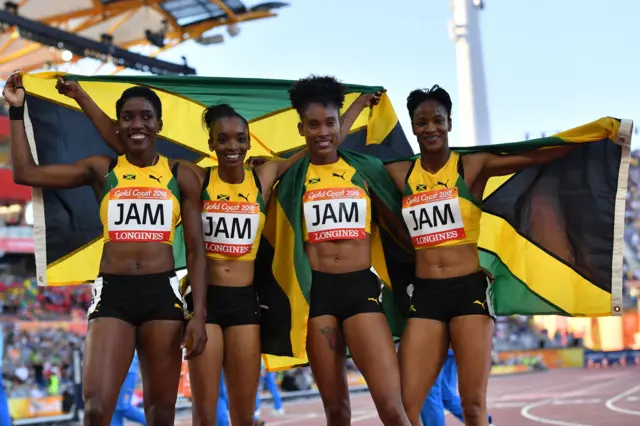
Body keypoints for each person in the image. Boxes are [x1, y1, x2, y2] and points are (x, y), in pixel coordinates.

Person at [55, 76, 379, 426]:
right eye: (223, 139)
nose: (232, 146)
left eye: (240, 139)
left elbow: (320, 144)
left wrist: (358, 107)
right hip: (204, 304)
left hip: (246, 304)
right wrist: (81, 97)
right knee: (204, 415)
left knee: (243, 415)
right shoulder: (197, 178)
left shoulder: (264, 177)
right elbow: (127, 142)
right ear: (211, 143)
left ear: (249, 143)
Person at [5, 71, 208, 426]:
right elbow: (24, 173)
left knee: (161, 414)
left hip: (163, 293)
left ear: (159, 123)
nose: (137, 123)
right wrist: (17, 111)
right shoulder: (103, 169)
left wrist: (200, 315)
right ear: (118, 124)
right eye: (127, 117)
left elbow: (195, 251)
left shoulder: (181, 174)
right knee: (97, 408)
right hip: (113, 293)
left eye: (146, 116)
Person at [384, 85, 575, 426]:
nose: (431, 128)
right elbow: (348, 167)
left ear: (450, 123)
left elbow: (532, 158)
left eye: (438, 120)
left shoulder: (471, 165)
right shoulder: (399, 174)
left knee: (472, 405)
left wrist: (582, 141)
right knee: (404, 404)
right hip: (426, 295)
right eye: (422, 121)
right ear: (412, 127)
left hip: (468, 292)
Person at [286, 75, 410, 426]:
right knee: (337, 413)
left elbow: (399, 229)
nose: (322, 131)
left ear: (340, 125)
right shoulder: (294, 175)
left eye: (330, 123)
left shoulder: (364, 170)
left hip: (360, 291)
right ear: (301, 129)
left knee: (391, 407)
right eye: (313, 125)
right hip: (317, 297)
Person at [110, 352, 146, 426]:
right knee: (114, 410)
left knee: (123, 408)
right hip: (113, 371)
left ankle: (154, 422)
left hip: (128, 370)